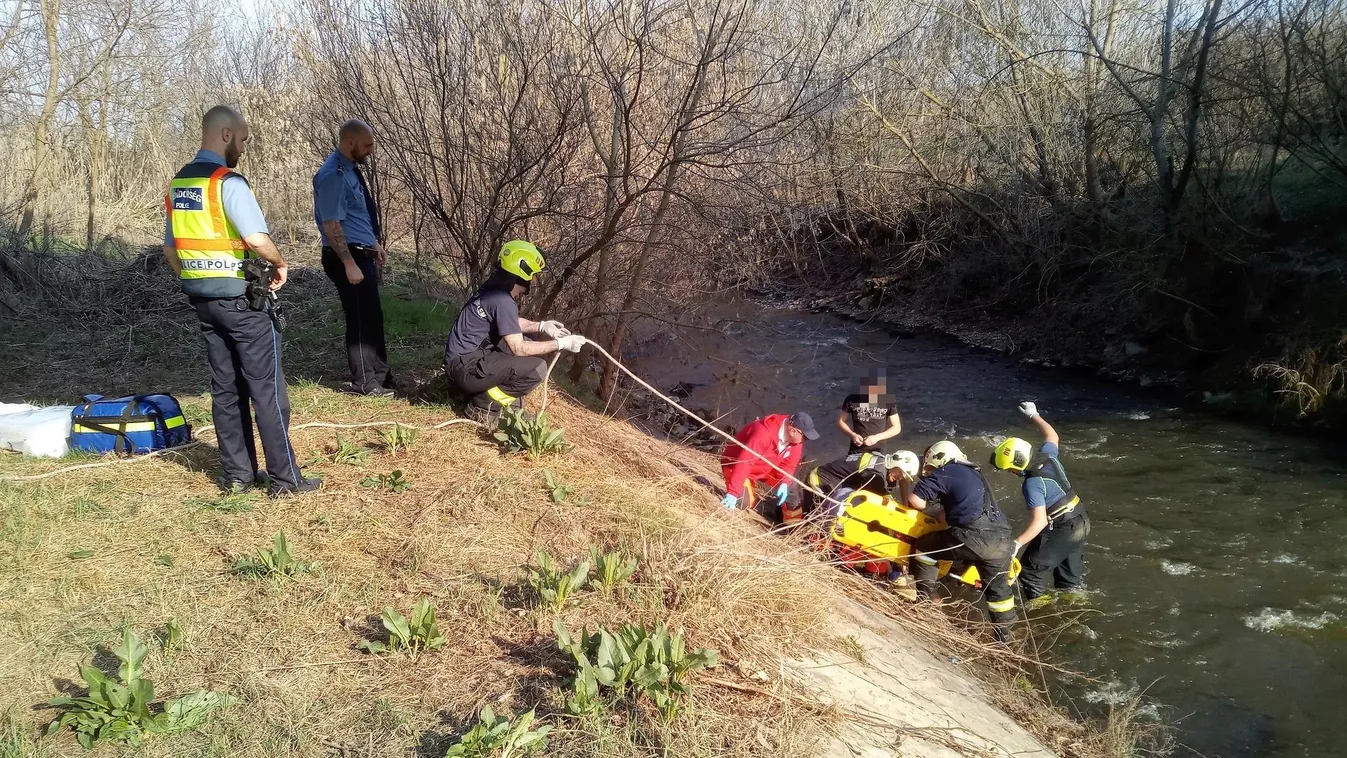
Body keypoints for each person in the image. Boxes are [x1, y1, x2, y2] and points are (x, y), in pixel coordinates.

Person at [163, 105, 320, 497]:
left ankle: (238, 476)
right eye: (244, 139)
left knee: (226, 389)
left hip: (202, 299)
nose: (244, 148)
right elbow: (255, 239)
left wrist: (193, 277)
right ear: (226, 134)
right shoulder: (227, 182)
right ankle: (286, 480)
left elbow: (170, 248)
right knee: (266, 389)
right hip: (240, 301)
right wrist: (280, 262)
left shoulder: (179, 185)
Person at [443, 240, 586, 422]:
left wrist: (542, 326)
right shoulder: (503, 300)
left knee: (528, 337)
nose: (532, 281)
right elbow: (519, 348)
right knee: (536, 369)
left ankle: (501, 402)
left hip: (460, 363)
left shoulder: (493, 290)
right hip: (464, 370)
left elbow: (509, 322)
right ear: (523, 272)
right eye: (533, 276)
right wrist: (561, 344)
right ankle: (483, 406)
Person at [897, 440, 1017, 642]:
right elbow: (950, 513)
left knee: (925, 549)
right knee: (999, 593)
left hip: (974, 536)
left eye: (931, 466)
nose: (930, 470)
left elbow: (916, 501)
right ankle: (1005, 638)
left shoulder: (947, 470)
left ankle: (926, 604)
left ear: (939, 459)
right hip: (1004, 538)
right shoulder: (975, 474)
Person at [313, 119, 393, 397]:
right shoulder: (333, 175)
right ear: (350, 143)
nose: (371, 150)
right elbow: (331, 224)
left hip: (362, 253)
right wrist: (349, 263)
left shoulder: (349, 171)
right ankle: (365, 383)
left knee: (373, 316)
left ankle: (382, 376)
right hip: (347, 258)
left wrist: (374, 244)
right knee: (360, 320)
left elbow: (357, 215)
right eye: (367, 145)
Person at [991, 402, 1090, 605]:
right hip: (1081, 520)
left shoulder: (1032, 483)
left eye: (1009, 469)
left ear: (1017, 465)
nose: (1010, 473)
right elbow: (1053, 436)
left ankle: (1042, 613)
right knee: (1069, 583)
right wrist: (1034, 415)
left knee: (1028, 575)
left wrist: (1016, 544)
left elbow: (1039, 522)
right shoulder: (1047, 454)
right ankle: (1078, 611)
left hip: (1063, 527)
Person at [720, 412, 820, 522]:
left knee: (791, 486)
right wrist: (733, 493)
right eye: (805, 437)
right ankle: (745, 487)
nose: (805, 441)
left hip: (765, 467)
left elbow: (788, 466)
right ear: (793, 431)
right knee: (743, 503)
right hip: (736, 465)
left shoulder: (796, 442)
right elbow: (744, 462)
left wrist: (784, 483)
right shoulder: (763, 433)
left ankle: (792, 523)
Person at [839, 371, 902, 454]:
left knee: (876, 467)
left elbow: (897, 427)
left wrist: (877, 437)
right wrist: (852, 435)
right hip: (856, 449)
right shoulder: (852, 399)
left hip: (878, 450)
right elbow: (840, 421)